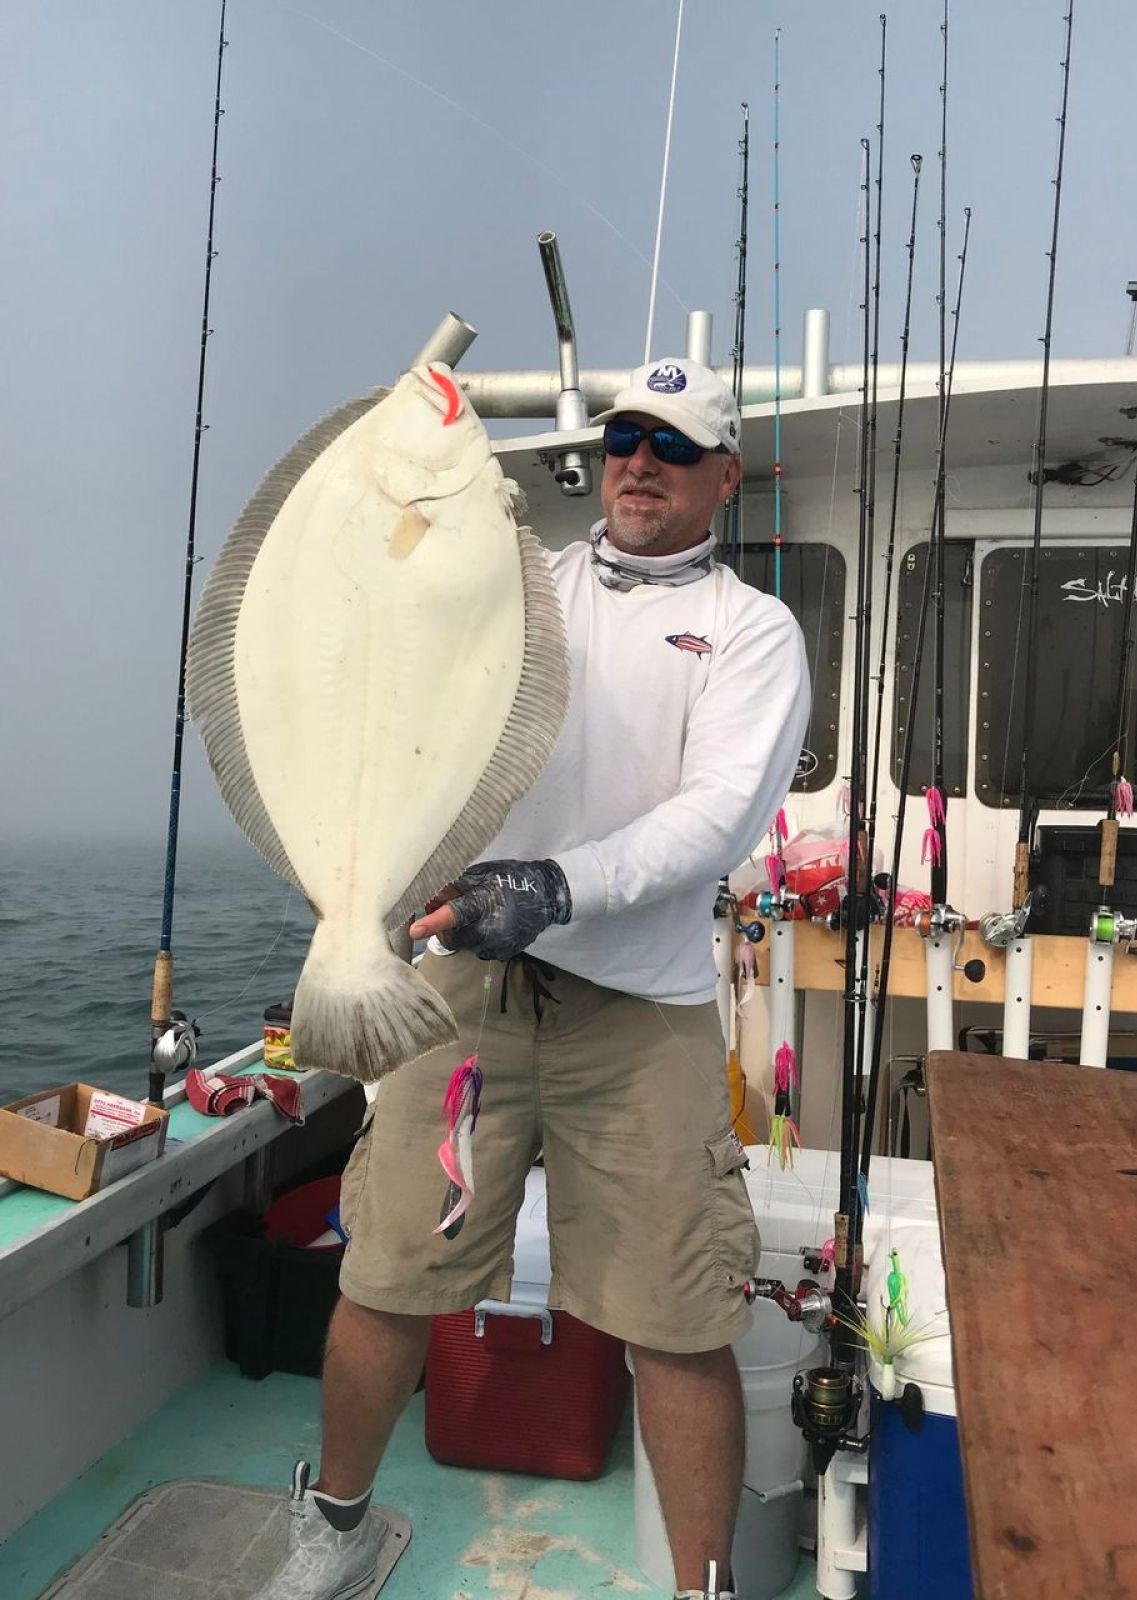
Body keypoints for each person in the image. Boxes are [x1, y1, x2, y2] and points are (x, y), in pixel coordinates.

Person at [253, 357, 811, 1600]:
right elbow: (398, 678)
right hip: (466, 996)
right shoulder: (529, 591)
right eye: (622, 439)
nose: (638, 464)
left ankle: (701, 1587)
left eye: (672, 446)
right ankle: (331, 1534)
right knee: (388, 1270)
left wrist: (558, 888)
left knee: (679, 1317)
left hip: (643, 1014)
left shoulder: (751, 632)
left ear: (725, 474)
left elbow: (717, 818)